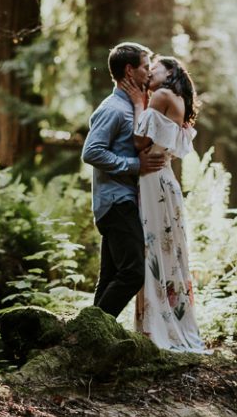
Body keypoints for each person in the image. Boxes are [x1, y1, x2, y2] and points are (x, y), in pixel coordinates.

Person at [125, 54, 209, 353]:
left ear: (170, 72)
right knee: (165, 248)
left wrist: (137, 102)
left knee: (152, 247)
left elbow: (137, 141)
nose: (150, 73)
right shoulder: (175, 99)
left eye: (156, 68)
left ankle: (154, 328)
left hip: (153, 180)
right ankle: (166, 322)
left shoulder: (161, 95)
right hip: (164, 179)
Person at [81, 42, 166, 318]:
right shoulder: (113, 109)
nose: (149, 72)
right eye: (145, 66)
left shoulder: (133, 105)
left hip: (123, 200)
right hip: (116, 202)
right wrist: (134, 165)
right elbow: (91, 152)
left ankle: (88, 339)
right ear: (130, 70)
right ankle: (92, 333)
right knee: (132, 272)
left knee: (111, 276)